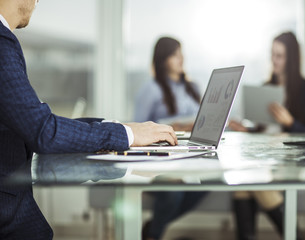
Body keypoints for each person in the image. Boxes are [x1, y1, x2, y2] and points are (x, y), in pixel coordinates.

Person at [0, 1, 177, 239]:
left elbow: (32, 121)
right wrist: (126, 135)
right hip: (9, 212)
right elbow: (43, 131)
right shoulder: (2, 42)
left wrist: (118, 128)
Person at [230, 32, 305, 240]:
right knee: (243, 185)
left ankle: (294, 236)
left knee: (247, 185)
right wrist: (247, 129)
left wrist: (290, 123)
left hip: (289, 160)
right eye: (272, 55)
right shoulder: (265, 88)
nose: (274, 60)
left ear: (292, 59)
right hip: (264, 156)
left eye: (280, 56)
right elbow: (261, 130)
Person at [134, 37, 207, 240]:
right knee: (173, 191)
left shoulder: (192, 88)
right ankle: (153, 235)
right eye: (175, 54)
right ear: (163, 59)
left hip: (190, 155)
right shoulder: (151, 89)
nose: (181, 58)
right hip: (159, 159)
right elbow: (138, 126)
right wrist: (175, 126)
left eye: (181, 53)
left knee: (209, 181)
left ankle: (154, 226)